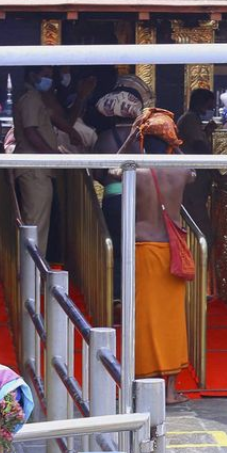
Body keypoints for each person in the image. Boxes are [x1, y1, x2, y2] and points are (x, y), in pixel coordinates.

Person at [121, 108, 194, 405]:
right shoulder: (180, 172)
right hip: (171, 251)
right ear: (170, 143)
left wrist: (131, 136)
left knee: (144, 318)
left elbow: (110, 169)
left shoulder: (136, 172)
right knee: (173, 320)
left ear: (143, 141)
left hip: (144, 250)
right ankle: (171, 390)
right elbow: (194, 171)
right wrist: (174, 143)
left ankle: (142, 384)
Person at [92, 78, 149, 309]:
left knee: (115, 247)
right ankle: (139, 294)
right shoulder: (144, 137)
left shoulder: (104, 138)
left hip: (114, 199)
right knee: (139, 246)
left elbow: (97, 174)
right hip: (142, 198)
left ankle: (117, 295)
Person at [12, 65, 72, 259]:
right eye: (45, 75)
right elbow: (31, 132)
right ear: (32, 75)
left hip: (38, 168)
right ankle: (31, 271)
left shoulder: (36, 98)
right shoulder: (30, 99)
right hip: (34, 169)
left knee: (38, 223)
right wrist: (52, 155)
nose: (50, 79)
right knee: (35, 224)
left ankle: (33, 269)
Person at [178, 88, 219, 248]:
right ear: (201, 103)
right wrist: (216, 172)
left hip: (197, 180)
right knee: (199, 223)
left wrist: (206, 132)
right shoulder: (189, 119)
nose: (211, 109)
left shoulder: (193, 119)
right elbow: (199, 145)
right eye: (209, 105)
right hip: (193, 181)